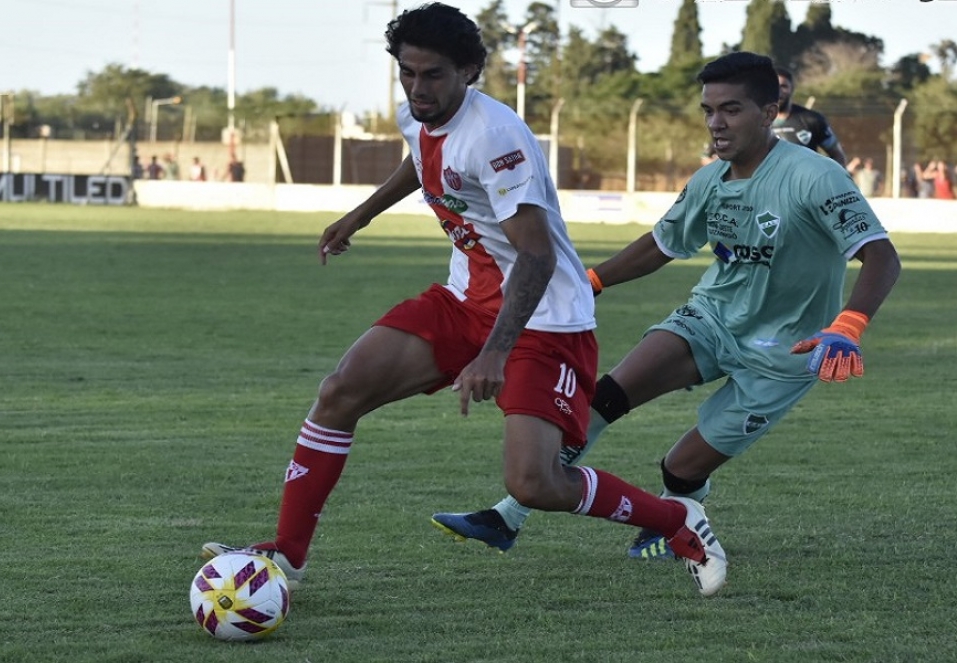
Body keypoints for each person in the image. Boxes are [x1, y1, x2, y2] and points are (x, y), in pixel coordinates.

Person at [200, 2, 727, 598]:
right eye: (407, 73)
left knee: (535, 484)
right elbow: (422, 156)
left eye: (433, 75)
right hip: (464, 300)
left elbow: (536, 257)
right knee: (340, 390)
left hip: (543, 319)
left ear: (469, 71)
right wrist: (360, 215)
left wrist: (495, 353)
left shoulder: (496, 138)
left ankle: (676, 521)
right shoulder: (417, 111)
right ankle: (288, 552)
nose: (417, 88)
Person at [431, 51, 901, 564]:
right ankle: (507, 517)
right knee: (603, 398)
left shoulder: (815, 176)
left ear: (769, 113)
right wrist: (592, 281)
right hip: (710, 319)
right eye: (709, 110)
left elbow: (881, 255)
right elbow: (661, 245)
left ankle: (683, 511)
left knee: (680, 468)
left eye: (732, 110)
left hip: (785, 352)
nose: (716, 123)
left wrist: (848, 325)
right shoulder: (709, 181)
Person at [770, 66, 847, 167]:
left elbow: (838, 156)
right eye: (774, 86)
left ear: (792, 89)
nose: (778, 91)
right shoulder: (757, 121)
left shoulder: (812, 120)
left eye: (783, 86)